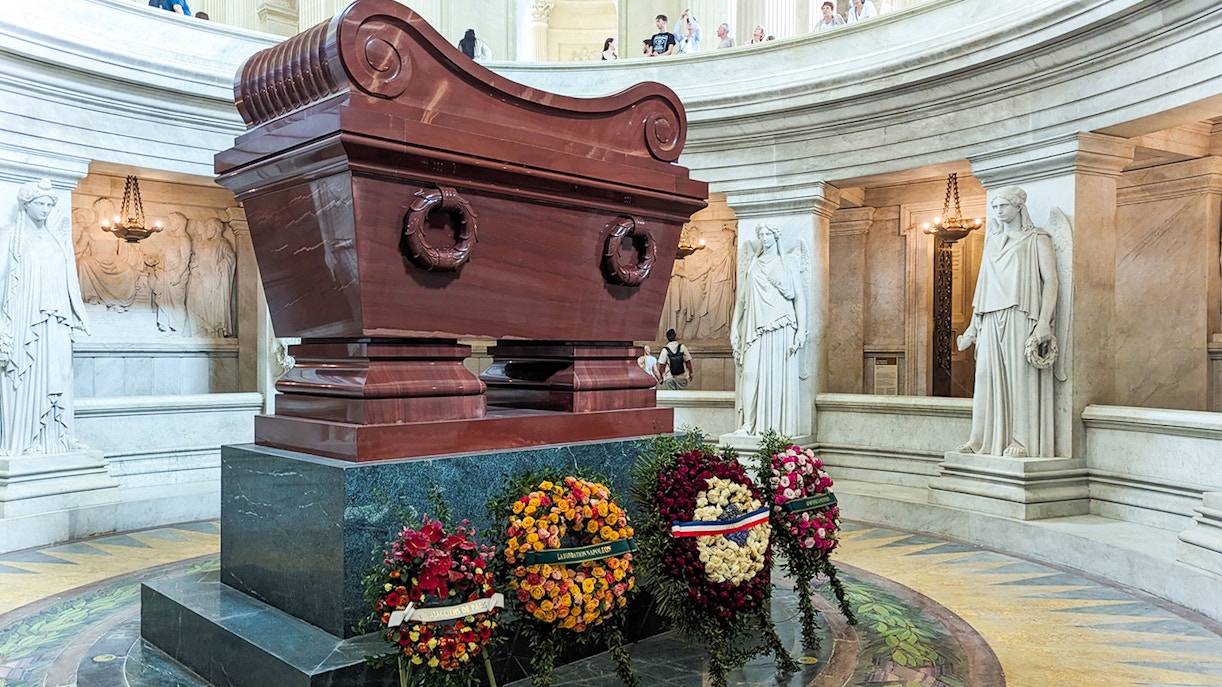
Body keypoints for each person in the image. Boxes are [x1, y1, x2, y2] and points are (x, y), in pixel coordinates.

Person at [956, 187, 1059, 458]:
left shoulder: (1036, 239)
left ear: (1018, 207)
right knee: (986, 377)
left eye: (1003, 206)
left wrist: (1044, 323)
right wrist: (972, 326)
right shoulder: (992, 241)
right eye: (995, 207)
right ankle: (980, 439)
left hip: (1019, 314)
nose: (998, 212)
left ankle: (1020, 440)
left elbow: (1051, 281)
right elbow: (983, 285)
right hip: (989, 316)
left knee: (1018, 378)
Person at [0, 179, 90, 455]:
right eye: (40, 203)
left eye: (50, 205)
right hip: (26, 318)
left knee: (60, 373)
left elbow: (69, 280)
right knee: (28, 375)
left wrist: (79, 315)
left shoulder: (55, 238)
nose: (45, 209)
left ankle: (58, 434)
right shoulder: (10, 237)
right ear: (26, 205)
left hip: (57, 318)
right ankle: (27, 440)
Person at [731, 224, 808, 436]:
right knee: (749, 372)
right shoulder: (754, 263)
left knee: (776, 376)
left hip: (781, 324)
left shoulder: (788, 262)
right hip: (755, 326)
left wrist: (801, 330)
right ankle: (748, 424)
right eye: (761, 234)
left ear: (776, 236)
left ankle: (774, 427)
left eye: (768, 234)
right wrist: (734, 328)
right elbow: (742, 299)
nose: (764, 238)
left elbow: (799, 297)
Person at [186, 218, 236, 337]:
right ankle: (200, 329)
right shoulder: (205, 243)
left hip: (212, 279)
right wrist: (194, 265)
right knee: (193, 302)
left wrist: (218, 268)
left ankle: (211, 331)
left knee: (209, 304)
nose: (206, 230)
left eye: (208, 227)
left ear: (215, 229)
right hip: (199, 276)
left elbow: (231, 258)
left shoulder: (222, 243)